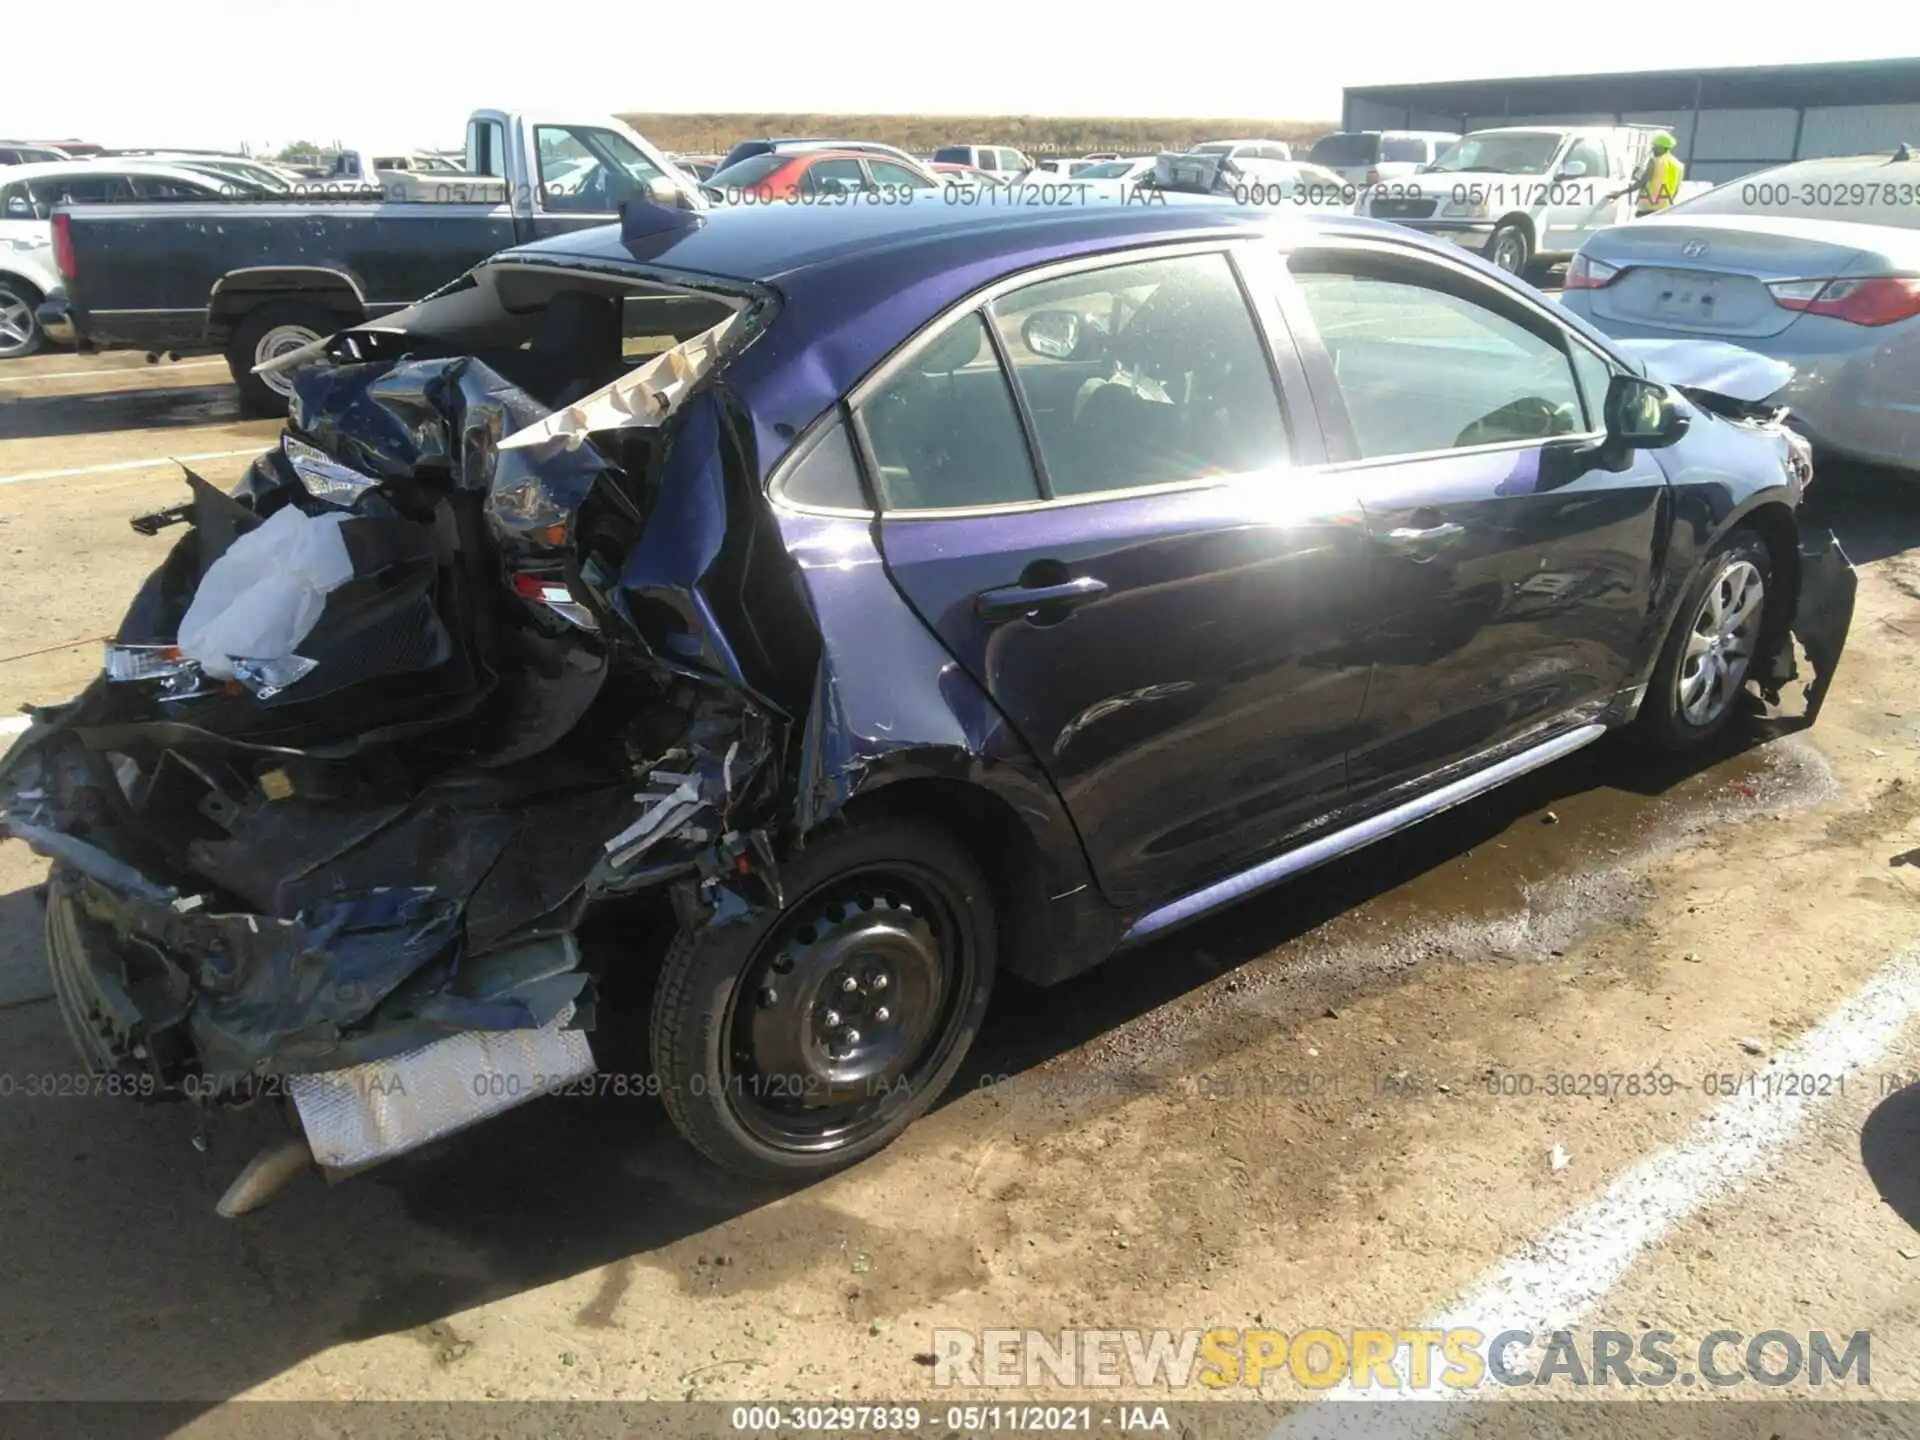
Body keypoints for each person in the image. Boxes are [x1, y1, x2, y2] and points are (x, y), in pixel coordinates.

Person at [1616, 131, 1685, 215]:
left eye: (1656, 147)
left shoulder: (1655, 161)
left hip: (1647, 207)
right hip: (1665, 209)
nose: (1653, 150)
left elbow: (1641, 182)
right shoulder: (1679, 165)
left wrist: (1620, 193)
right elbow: (1676, 190)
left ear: (1663, 148)